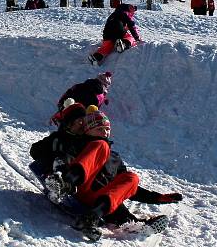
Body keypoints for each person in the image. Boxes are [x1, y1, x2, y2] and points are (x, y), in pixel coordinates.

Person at [31, 101, 181, 236]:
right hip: (78, 187)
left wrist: (159, 198)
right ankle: (65, 184)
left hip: (100, 201)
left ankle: (96, 218)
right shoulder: (77, 143)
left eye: (107, 129)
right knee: (100, 146)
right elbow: (46, 154)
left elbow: (128, 188)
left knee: (131, 178)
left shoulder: (114, 157)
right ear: (88, 130)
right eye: (100, 129)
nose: (105, 132)